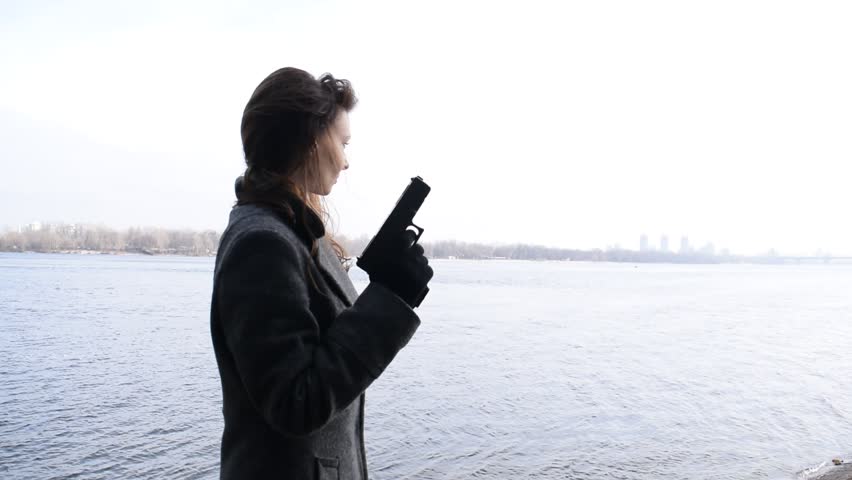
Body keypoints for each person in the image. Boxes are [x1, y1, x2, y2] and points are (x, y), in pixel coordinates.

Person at [210, 67, 434, 479]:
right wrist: (390, 300)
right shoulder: (264, 243)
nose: (346, 161)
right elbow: (295, 401)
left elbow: (325, 347)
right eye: (343, 142)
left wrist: (386, 290)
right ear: (312, 140)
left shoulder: (291, 231)